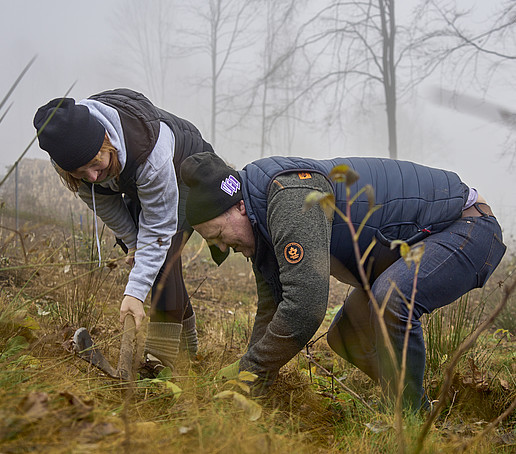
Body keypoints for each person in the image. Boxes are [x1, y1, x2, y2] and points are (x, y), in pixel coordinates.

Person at [180, 152, 506, 411]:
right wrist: (247, 381)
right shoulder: (258, 217)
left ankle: (410, 418)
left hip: (465, 227)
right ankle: (413, 405)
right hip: (417, 246)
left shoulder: (289, 197)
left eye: (220, 235)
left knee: (391, 297)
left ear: (237, 206)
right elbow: (273, 307)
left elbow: (304, 310)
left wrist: (247, 372)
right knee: (344, 336)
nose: (222, 248)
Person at [33, 89, 227, 372]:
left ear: (107, 140)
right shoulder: (64, 151)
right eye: (79, 172)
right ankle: (186, 349)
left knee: (165, 255)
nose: (92, 177)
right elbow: (104, 202)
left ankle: (160, 360)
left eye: (95, 164)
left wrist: (134, 293)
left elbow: (159, 231)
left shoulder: (150, 151)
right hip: (136, 180)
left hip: (187, 170)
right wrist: (133, 243)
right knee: (146, 256)